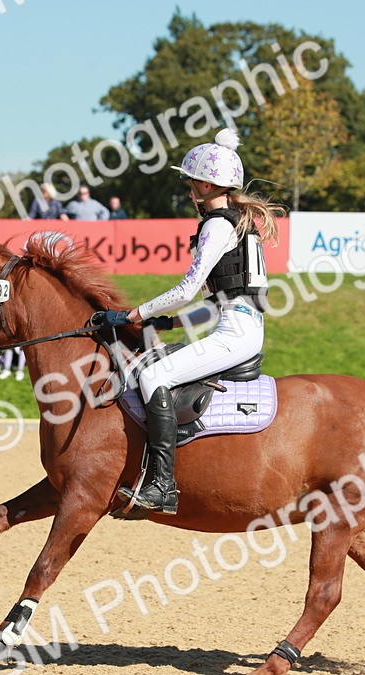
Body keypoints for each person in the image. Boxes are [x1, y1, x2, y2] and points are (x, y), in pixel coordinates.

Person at [98, 128, 282, 515]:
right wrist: (165, 324)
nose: (188, 189)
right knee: (148, 366)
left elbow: (187, 289)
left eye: (190, 181)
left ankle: (163, 486)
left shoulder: (217, 225)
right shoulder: (237, 222)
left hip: (237, 333)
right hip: (237, 324)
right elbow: (217, 304)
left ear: (203, 183)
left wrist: (135, 314)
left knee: (153, 377)